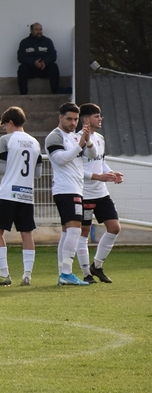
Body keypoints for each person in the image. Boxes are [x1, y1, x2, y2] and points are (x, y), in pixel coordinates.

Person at [0, 106, 43, 287]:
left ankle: (4, 274)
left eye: (5, 125)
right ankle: (27, 275)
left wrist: (2, 164)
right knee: (26, 233)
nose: (5, 129)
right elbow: (37, 174)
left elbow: (1, 170)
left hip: (8, 193)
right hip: (26, 194)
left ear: (10, 122)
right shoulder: (35, 142)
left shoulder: (6, 140)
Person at [45, 102, 97, 286]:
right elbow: (60, 159)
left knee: (68, 232)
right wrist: (79, 145)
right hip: (65, 189)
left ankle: (63, 273)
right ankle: (66, 273)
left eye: (75, 119)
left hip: (74, 188)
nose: (73, 122)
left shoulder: (75, 137)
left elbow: (93, 153)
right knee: (75, 229)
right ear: (60, 117)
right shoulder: (54, 136)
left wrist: (87, 138)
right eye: (69, 119)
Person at [78, 103, 123, 284]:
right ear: (87, 119)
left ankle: (96, 266)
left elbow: (100, 162)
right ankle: (85, 274)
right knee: (84, 232)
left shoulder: (100, 138)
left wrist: (111, 174)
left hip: (101, 193)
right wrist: (98, 176)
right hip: (84, 194)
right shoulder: (77, 140)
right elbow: (75, 169)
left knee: (114, 227)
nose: (100, 119)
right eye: (97, 116)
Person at [17, 23, 60, 94]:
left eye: (40, 29)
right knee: (22, 68)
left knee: (54, 67)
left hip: (44, 68)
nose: (39, 32)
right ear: (31, 30)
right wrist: (33, 62)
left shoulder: (47, 41)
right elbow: (20, 57)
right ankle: (23, 94)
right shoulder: (24, 42)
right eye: (36, 30)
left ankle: (55, 93)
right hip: (31, 69)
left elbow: (53, 56)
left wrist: (44, 62)